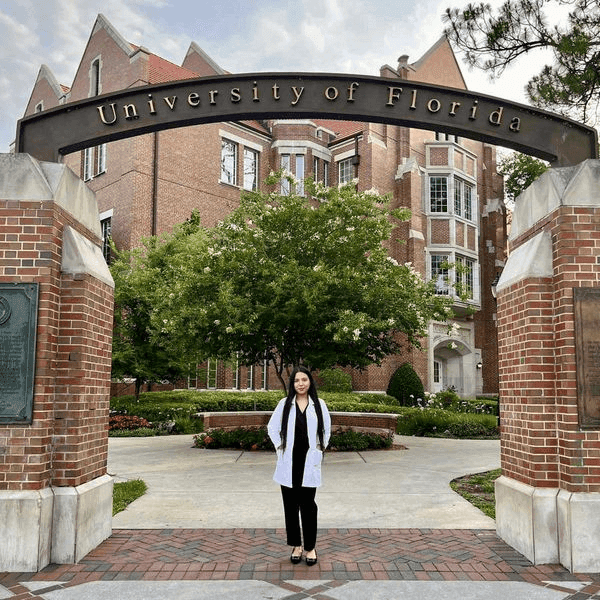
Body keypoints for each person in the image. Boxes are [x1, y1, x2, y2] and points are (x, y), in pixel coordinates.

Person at [267, 366, 331, 566]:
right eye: (296, 380)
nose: (300, 384)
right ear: (292, 384)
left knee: (308, 506)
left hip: (309, 462)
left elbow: (326, 431)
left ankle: (310, 547)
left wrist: (319, 449)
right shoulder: (284, 404)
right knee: (290, 506)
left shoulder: (319, 404)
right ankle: (296, 545)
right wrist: (280, 447)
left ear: (310, 382)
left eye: (304, 380)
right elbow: (272, 428)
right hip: (289, 462)